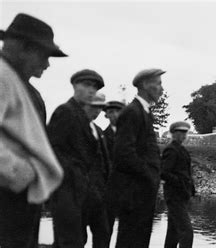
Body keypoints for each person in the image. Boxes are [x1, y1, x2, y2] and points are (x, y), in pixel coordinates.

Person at [0, 13, 65, 247]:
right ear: (24, 48)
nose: (47, 64)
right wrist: (23, 172)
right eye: (44, 55)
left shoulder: (21, 86)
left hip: (18, 204)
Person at [47, 69, 108, 247]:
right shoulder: (65, 112)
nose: (91, 90)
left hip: (83, 194)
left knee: (78, 240)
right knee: (69, 241)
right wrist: (74, 177)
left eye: (94, 88)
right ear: (75, 86)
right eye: (87, 85)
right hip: (68, 192)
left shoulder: (83, 119)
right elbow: (54, 152)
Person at [106, 68, 164, 247]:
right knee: (130, 240)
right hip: (134, 194)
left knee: (139, 240)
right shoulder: (133, 112)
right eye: (158, 84)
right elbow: (124, 153)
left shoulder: (144, 112)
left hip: (142, 193)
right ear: (145, 85)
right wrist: (149, 175)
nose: (161, 89)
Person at [82, 92, 112, 248]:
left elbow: (104, 164)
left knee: (103, 234)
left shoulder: (98, 130)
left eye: (100, 108)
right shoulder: (76, 126)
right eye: (94, 107)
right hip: (80, 193)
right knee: (78, 236)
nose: (97, 111)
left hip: (99, 195)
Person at [162, 121, 195, 248]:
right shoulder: (171, 150)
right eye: (180, 133)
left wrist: (190, 188)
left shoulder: (182, 150)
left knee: (173, 232)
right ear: (173, 134)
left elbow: (186, 171)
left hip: (182, 195)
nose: (183, 135)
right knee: (187, 231)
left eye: (185, 133)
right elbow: (164, 172)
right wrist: (180, 183)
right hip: (174, 196)